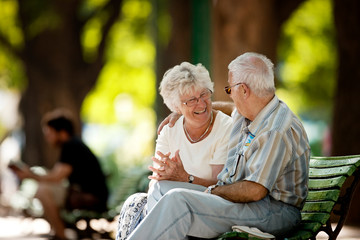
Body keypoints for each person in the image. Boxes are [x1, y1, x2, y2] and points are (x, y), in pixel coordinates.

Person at [126, 52, 311, 240]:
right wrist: (185, 110)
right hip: (245, 201)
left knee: (178, 201)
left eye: (230, 89)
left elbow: (255, 191)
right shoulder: (253, 110)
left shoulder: (275, 130)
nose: (230, 96)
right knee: (161, 187)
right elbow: (229, 108)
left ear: (244, 90)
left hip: (273, 211)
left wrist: (212, 191)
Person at [116, 62, 233, 240]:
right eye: (191, 100)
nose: (201, 103)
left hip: (210, 206)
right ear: (177, 107)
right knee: (150, 194)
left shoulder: (225, 127)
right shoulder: (169, 131)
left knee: (167, 195)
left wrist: (186, 179)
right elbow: (155, 183)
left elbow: (220, 187)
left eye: (204, 94)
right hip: (170, 206)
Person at [10, 108, 109, 240]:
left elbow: (56, 178)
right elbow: (55, 174)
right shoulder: (72, 145)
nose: (47, 138)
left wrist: (30, 175)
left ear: (61, 132)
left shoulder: (71, 146)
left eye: (49, 133)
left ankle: (61, 236)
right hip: (84, 195)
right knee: (43, 190)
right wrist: (31, 174)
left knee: (43, 191)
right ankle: (61, 233)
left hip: (91, 198)